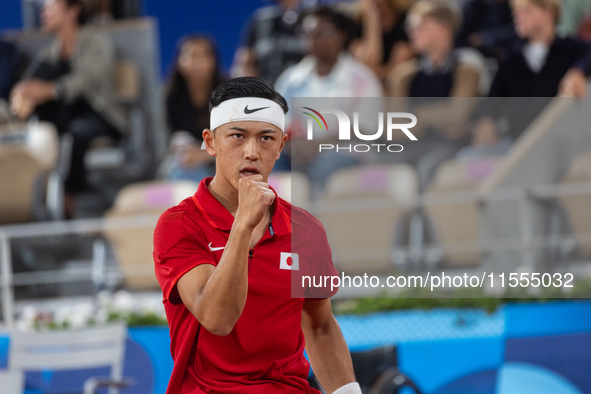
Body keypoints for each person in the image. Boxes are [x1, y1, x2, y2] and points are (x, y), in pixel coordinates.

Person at [153, 77, 360, 394]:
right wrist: (243, 227)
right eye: (237, 136)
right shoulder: (179, 224)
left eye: (266, 138)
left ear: (280, 146)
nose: (251, 152)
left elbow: (320, 327)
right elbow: (217, 318)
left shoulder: (306, 230)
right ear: (210, 142)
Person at [9, 0, 125, 218]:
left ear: (73, 11)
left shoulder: (96, 42)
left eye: (51, 7)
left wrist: (50, 91)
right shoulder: (49, 53)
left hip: (97, 114)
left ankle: (69, 202)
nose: (44, 12)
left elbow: (86, 81)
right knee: (46, 125)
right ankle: (28, 199)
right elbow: (33, 82)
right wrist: (23, 94)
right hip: (64, 116)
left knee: (75, 133)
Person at [489, 0, 591, 97]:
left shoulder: (571, 49)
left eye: (526, 10)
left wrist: (579, 71)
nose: (517, 16)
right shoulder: (510, 59)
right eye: (516, 11)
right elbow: (491, 105)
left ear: (548, 13)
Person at [162, 34, 223, 183]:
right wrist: (181, 148)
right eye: (191, 56)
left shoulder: (229, 93)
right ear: (180, 62)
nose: (197, 63)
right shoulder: (171, 96)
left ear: (214, 60)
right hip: (189, 159)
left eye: (203, 56)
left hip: (223, 155)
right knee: (179, 168)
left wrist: (203, 154)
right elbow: (171, 137)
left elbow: (237, 138)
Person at [232, 0, 307, 85]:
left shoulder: (314, 19)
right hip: (266, 93)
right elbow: (244, 64)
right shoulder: (260, 20)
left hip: (304, 92)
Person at [350, 0, 414, 80]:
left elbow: (395, 74)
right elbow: (369, 62)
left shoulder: (405, 22)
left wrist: (373, 73)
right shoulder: (358, 24)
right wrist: (372, 20)